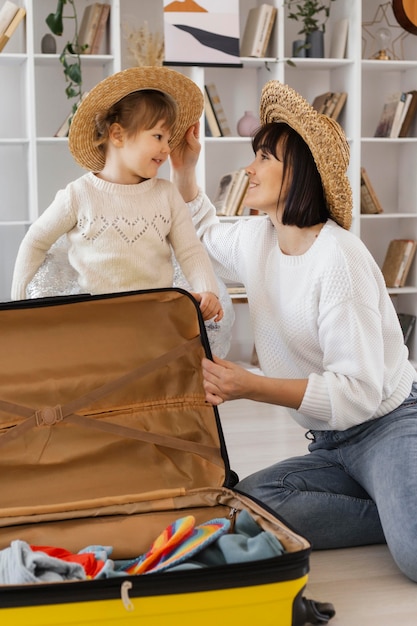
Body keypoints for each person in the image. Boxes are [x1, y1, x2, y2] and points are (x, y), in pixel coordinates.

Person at [169, 79, 417, 582]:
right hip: (330, 443)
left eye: (264, 158)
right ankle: (393, 508)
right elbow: (205, 233)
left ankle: (403, 515)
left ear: (297, 171)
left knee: (413, 555)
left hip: (388, 424)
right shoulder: (260, 237)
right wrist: (185, 169)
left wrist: (248, 384)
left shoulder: (338, 259)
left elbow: (361, 393)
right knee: (251, 502)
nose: (249, 168)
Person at [11, 66, 223, 324]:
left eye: (168, 139)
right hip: (96, 323)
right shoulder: (78, 195)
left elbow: (190, 250)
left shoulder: (167, 195)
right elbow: (35, 241)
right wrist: (18, 302)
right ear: (117, 135)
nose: (167, 148)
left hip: (154, 321)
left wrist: (208, 289)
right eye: (158, 136)